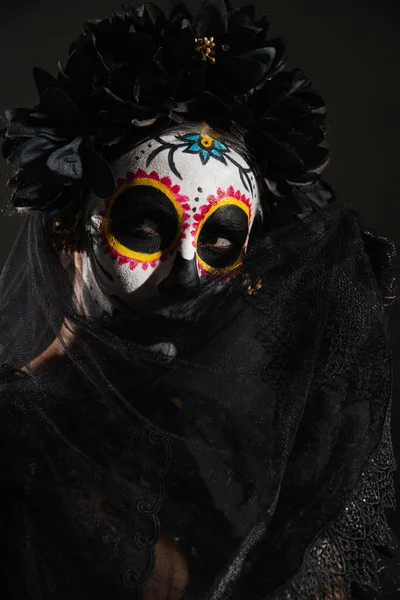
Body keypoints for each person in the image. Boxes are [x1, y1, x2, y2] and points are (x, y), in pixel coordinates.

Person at [0, 1, 399, 598]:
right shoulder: (13, 439)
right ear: (67, 231)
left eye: (220, 240)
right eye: (143, 229)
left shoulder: (225, 441)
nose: (188, 274)